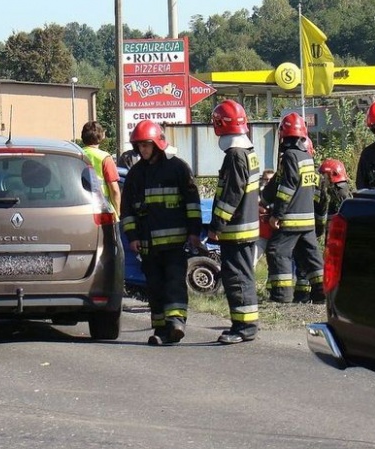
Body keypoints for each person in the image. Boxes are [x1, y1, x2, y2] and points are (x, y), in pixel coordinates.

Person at [120, 119, 202, 346]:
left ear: (157, 143)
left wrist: (194, 232)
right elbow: (127, 210)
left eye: (146, 145)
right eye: (140, 145)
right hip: (148, 245)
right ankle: (161, 330)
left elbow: (192, 203)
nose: (143, 149)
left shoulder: (178, 168)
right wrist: (132, 237)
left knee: (174, 283)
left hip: (175, 243)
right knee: (154, 288)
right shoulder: (136, 174)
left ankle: (176, 323)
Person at [207, 99, 261, 344]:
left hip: (237, 230)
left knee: (237, 278)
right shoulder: (248, 152)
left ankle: (244, 327)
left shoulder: (235, 155)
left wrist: (217, 225)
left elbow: (231, 195)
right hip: (245, 228)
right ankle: (245, 324)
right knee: (243, 276)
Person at [262, 112, 325, 305]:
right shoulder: (307, 157)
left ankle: (282, 296)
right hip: (307, 221)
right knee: (311, 257)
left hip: (291, 219)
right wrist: (264, 198)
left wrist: (277, 214)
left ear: (283, 134)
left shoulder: (289, 156)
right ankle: (323, 294)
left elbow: (287, 187)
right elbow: (279, 182)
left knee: (276, 251)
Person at [81, 121, 121, 214]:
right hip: (103, 211)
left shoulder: (77, 155)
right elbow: (114, 190)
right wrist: (118, 212)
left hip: (83, 209)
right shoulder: (105, 157)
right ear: (102, 136)